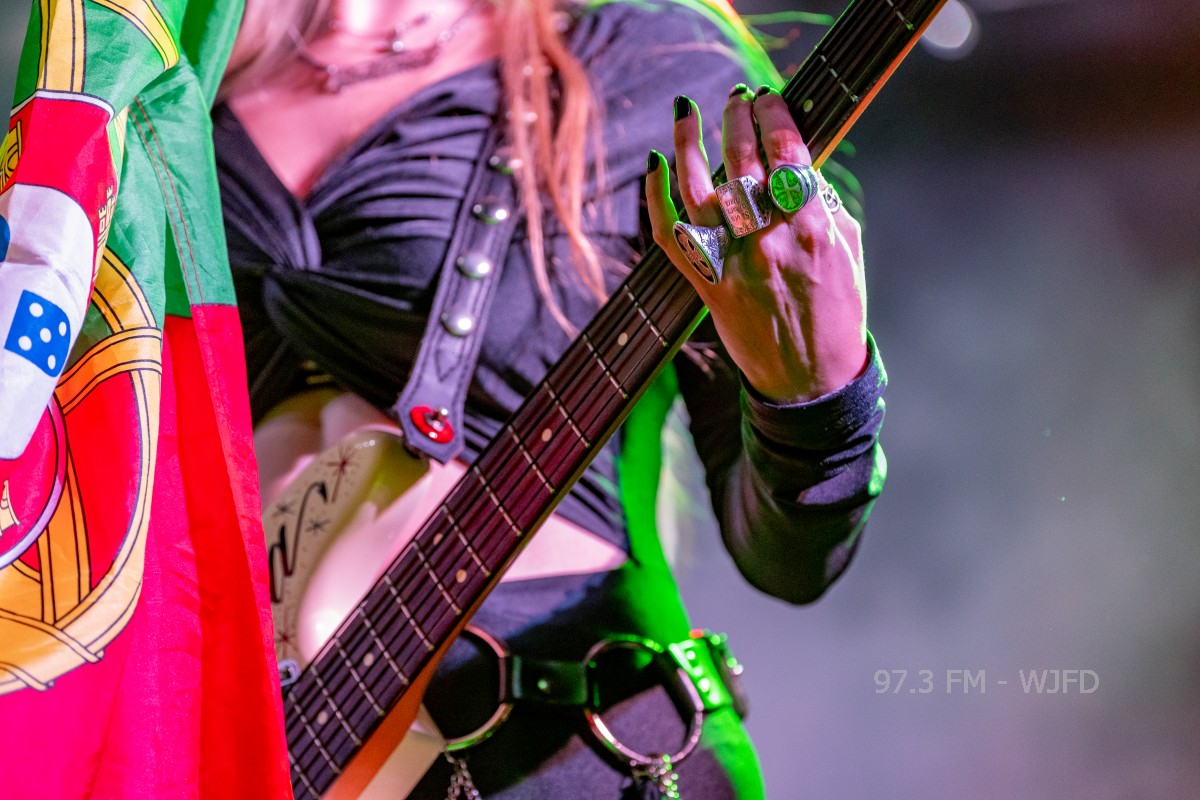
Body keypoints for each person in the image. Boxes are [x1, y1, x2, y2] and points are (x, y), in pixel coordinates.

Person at [213, 0, 886, 797]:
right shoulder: (174, 78)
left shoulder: (649, 59)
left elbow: (789, 561)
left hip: (556, 744)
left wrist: (816, 401)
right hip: (244, 738)